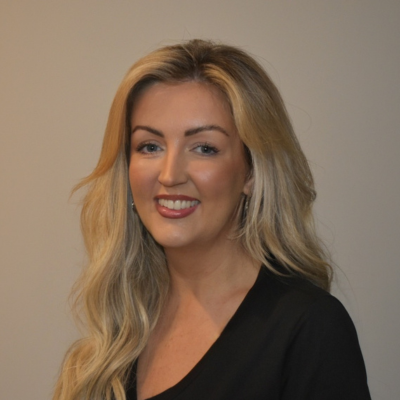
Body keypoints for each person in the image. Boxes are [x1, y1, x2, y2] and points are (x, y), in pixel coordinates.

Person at [53, 39, 371, 400]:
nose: (170, 175)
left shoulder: (309, 327)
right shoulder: (119, 329)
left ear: (252, 172)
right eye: (150, 146)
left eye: (204, 148)